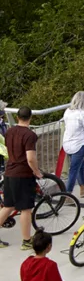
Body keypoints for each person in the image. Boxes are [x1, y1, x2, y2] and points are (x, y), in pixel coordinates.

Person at [0, 107, 41, 250]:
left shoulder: (9, 131)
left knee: (8, 206)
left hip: (9, 173)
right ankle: (26, 240)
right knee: (26, 208)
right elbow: (30, 158)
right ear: (30, 117)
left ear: (17, 117)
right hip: (23, 175)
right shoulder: (30, 135)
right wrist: (36, 171)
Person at [61, 91, 84, 198]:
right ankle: (68, 195)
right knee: (74, 170)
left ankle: (83, 188)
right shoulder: (82, 114)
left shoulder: (68, 111)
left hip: (67, 143)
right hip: (79, 145)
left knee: (81, 164)